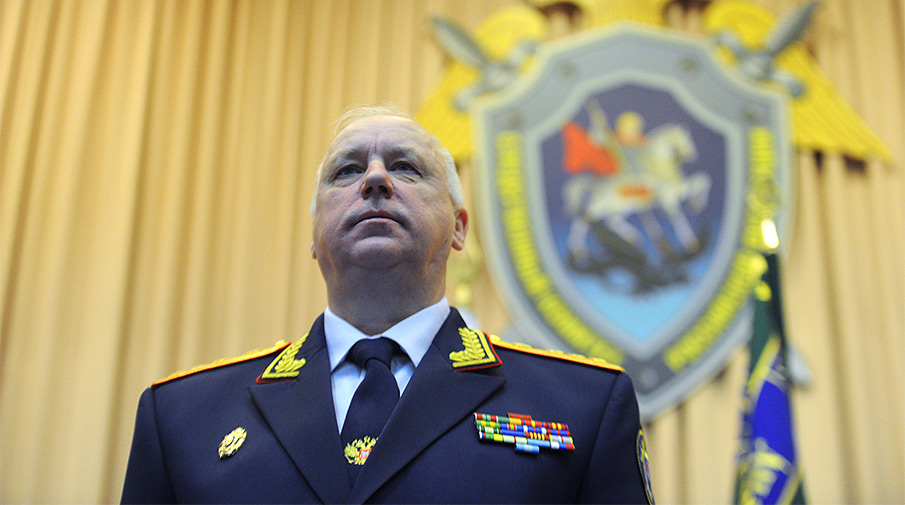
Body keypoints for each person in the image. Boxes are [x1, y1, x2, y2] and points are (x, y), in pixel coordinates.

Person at [121, 104, 654, 504]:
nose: (375, 179)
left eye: (406, 167)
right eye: (347, 171)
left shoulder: (582, 408)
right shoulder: (182, 418)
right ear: (313, 236)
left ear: (459, 229)